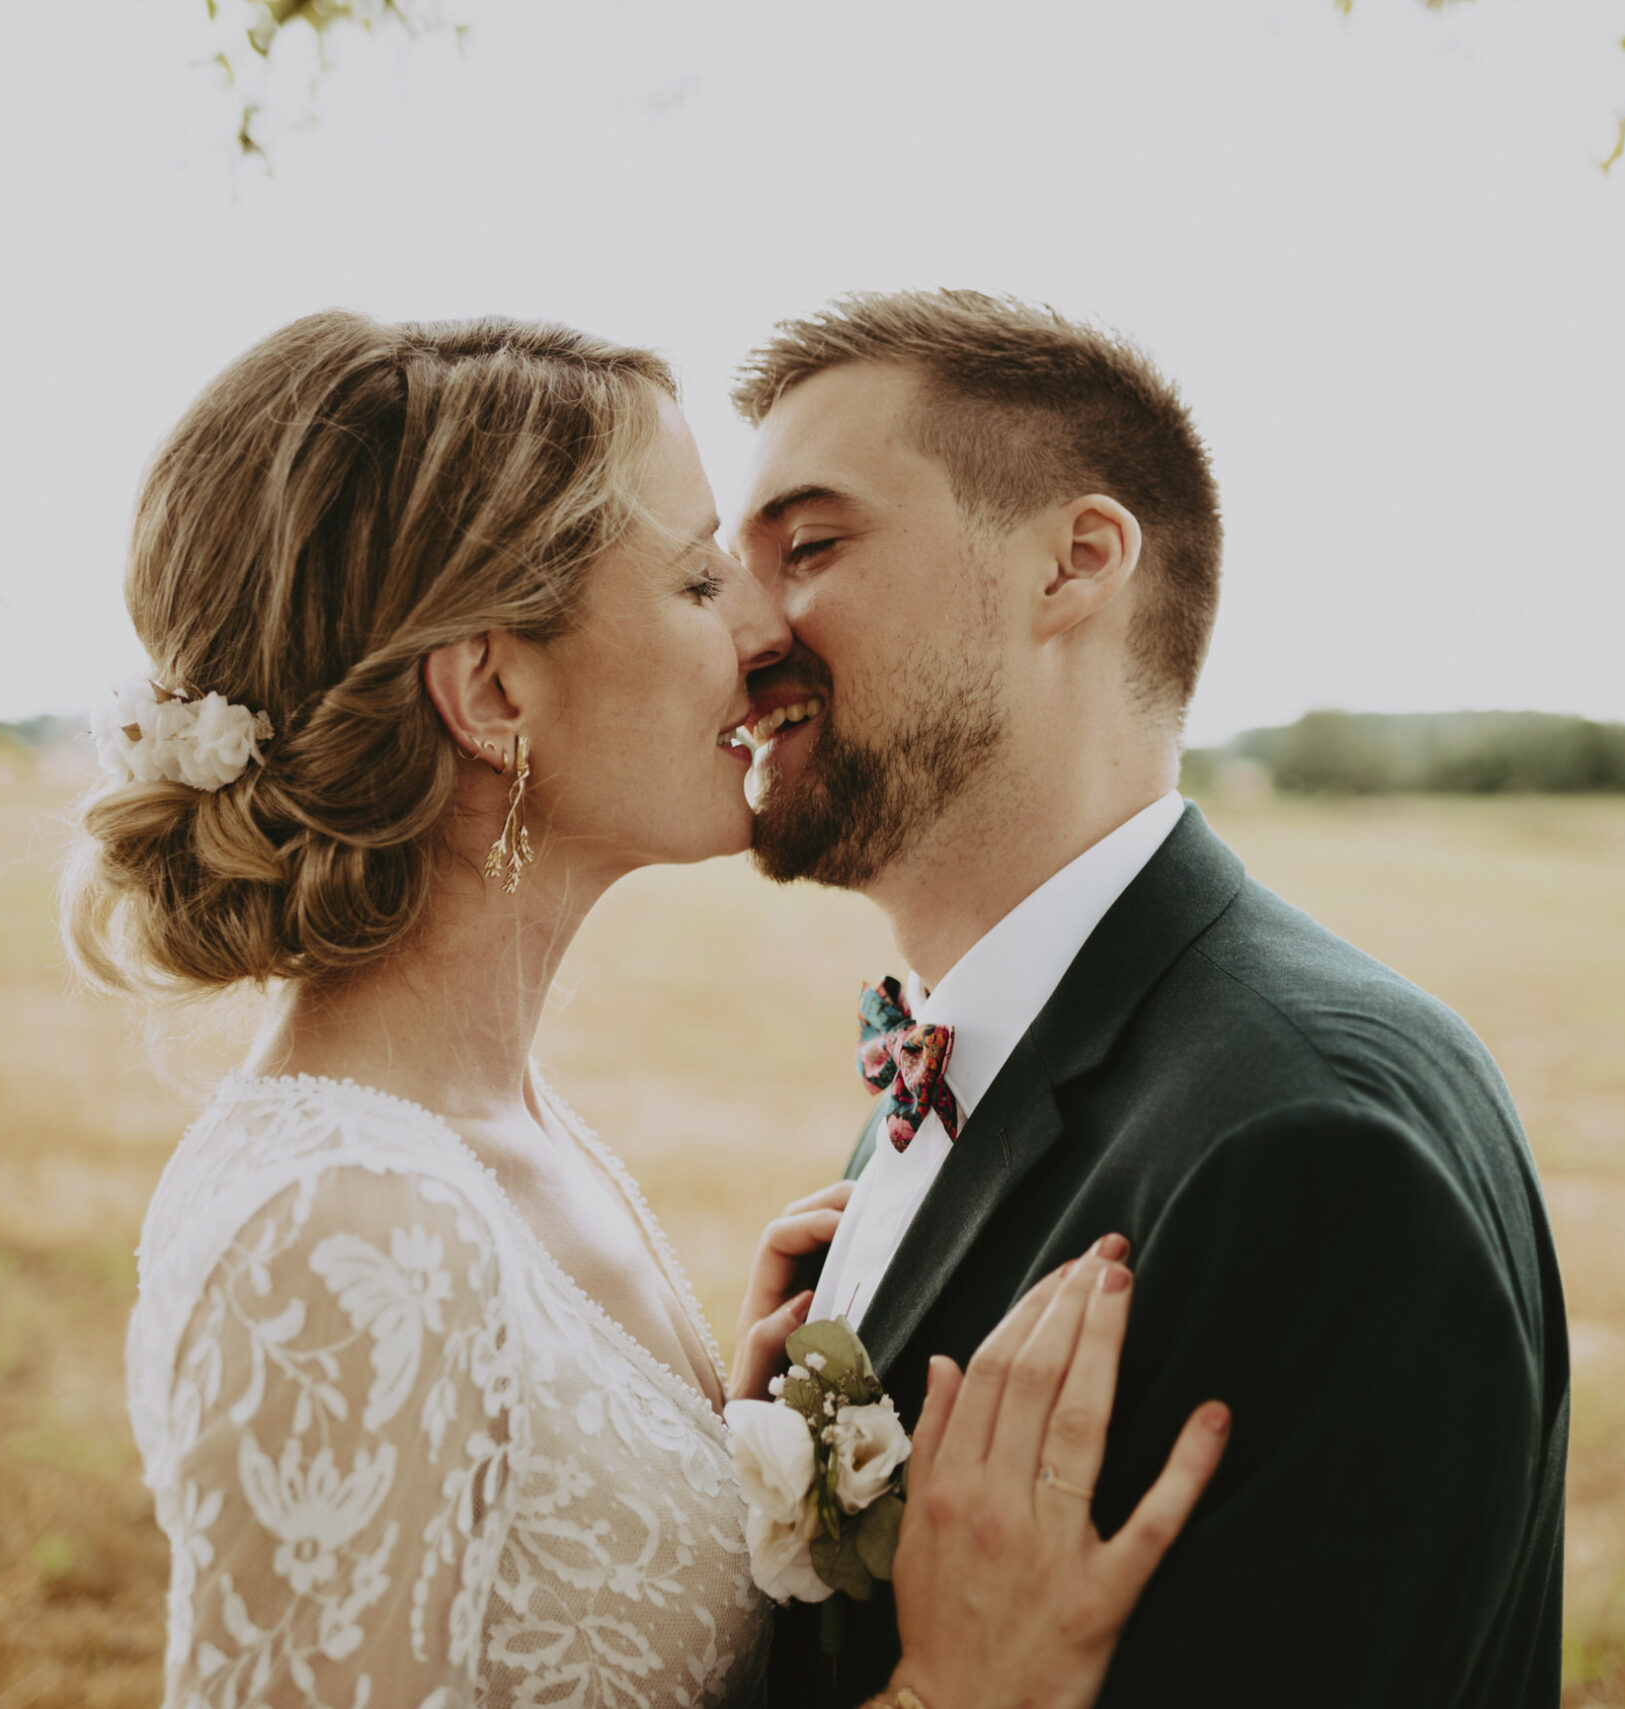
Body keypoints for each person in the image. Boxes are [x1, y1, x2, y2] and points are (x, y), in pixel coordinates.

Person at [63, 311, 1230, 1709]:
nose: (763, 628)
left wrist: (708, 1457)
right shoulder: (347, 1232)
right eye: (694, 580)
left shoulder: (505, 1133)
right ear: (496, 689)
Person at [728, 290, 1572, 1707]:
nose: (738, 633)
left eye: (809, 546)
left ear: (1076, 562)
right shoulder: (978, 1045)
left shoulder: (1315, 1152)